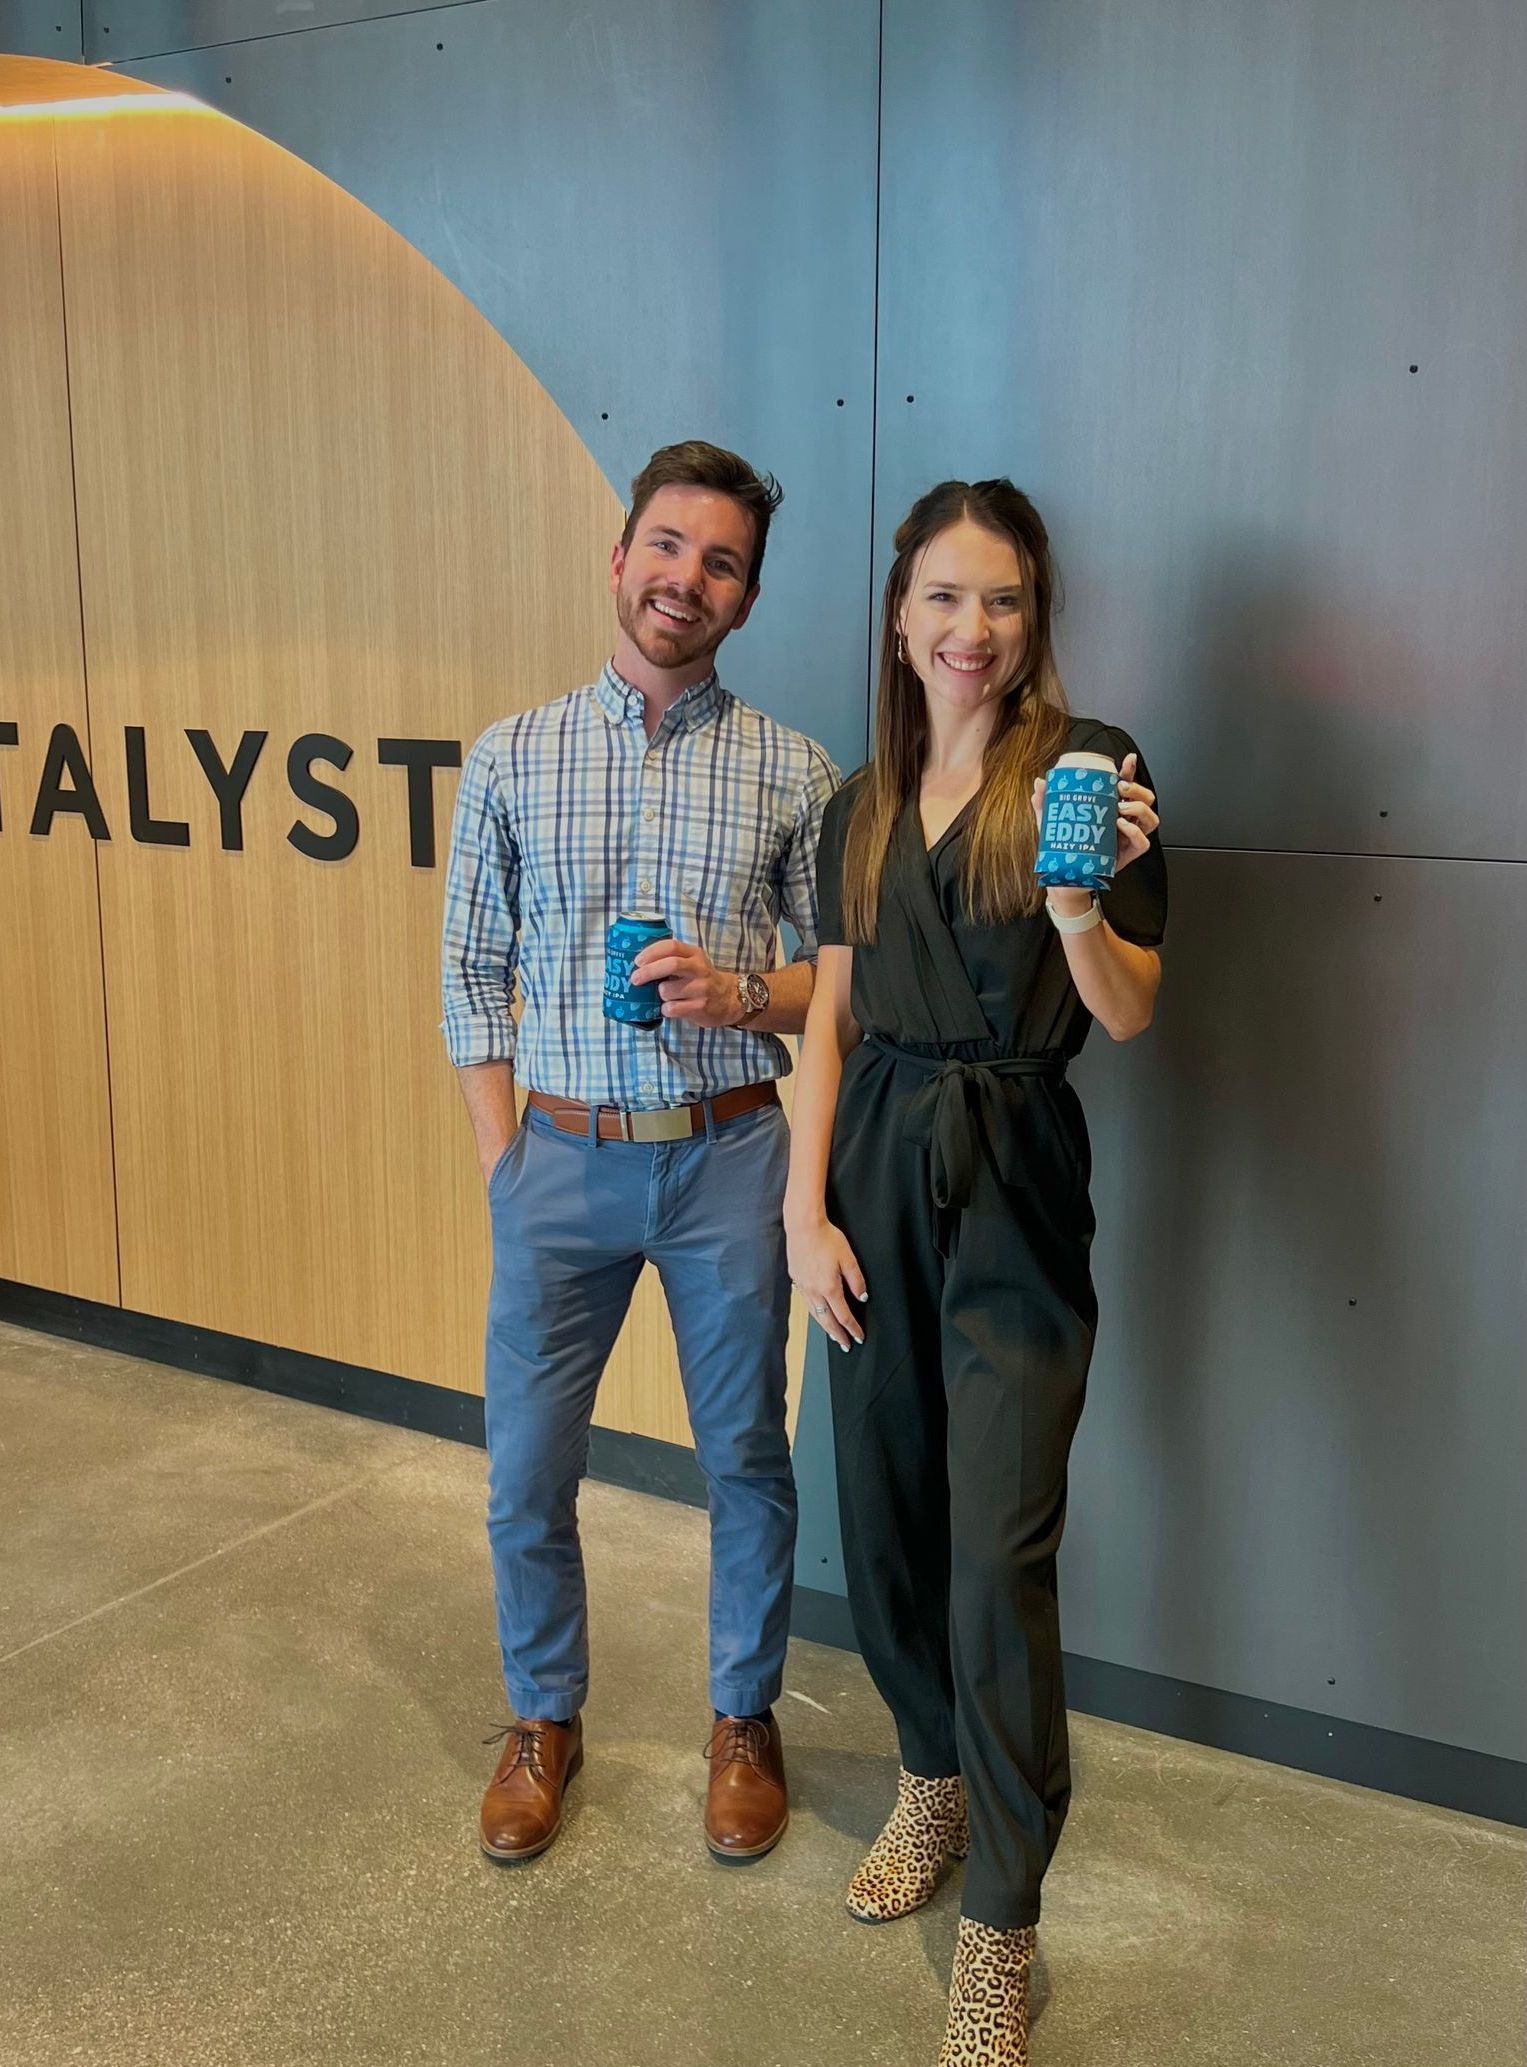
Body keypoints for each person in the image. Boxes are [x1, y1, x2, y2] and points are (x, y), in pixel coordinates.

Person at [784, 479, 1166, 2065]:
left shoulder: (1088, 773)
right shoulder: (857, 805)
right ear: (898, 614)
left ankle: (1003, 1925)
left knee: (997, 1555)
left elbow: (1133, 1013)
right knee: (881, 1520)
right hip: (869, 1170)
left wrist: (1079, 905)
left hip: (1011, 1177)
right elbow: (831, 1014)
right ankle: (928, 1779)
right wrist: (801, 1212)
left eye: (1002, 599)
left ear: (1036, 620)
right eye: (944, 595)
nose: (972, 628)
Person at [441, 440, 839, 1869]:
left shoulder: (796, 770)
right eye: (667, 546)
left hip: (729, 1154)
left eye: (720, 561)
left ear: (745, 596)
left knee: (745, 1458)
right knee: (527, 1471)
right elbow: (469, 978)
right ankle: (543, 1718)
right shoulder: (512, 754)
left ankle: (744, 1718)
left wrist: (741, 992)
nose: (686, 578)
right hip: (558, 1161)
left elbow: (833, 984)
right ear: (621, 557)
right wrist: (507, 1158)